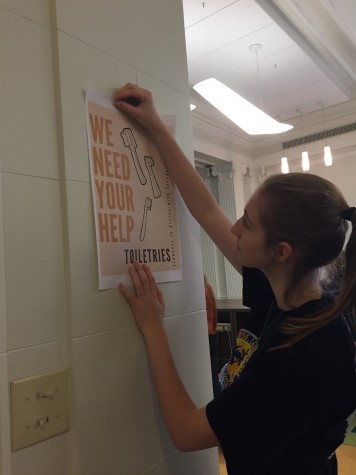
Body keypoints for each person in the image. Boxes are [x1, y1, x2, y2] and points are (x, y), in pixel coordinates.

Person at [113, 83, 356, 475]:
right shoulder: (284, 285)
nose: (236, 228)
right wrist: (157, 129)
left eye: (249, 222)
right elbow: (207, 210)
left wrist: (153, 327)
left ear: (282, 251)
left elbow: (187, 433)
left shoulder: (298, 355)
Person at [204, 275, 221, 398]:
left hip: (206, 335)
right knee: (213, 372)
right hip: (212, 333)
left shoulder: (201, 291)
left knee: (210, 374)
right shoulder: (208, 287)